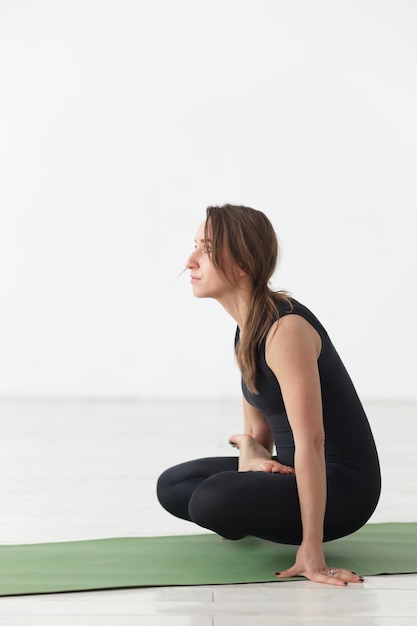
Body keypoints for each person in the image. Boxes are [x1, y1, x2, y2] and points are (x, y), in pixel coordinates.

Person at [157, 204, 381, 586]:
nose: (191, 260)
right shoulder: (246, 330)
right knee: (173, 485)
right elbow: (257, 439)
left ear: (242, 263)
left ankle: (266, 516)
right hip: (293, 471)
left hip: (341, 488)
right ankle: (251, 507)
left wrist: (312, 552)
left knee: (210, 499)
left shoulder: (285, 329)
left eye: (207, 250)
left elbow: (312, 441)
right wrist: (252, 455)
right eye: (195, 245)